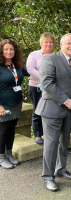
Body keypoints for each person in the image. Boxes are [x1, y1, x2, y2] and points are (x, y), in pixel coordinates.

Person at [36, 33, 71, 192]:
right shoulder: (50, 59)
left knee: (64, 142)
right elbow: (47, 83)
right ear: (61, 44)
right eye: (68, 44)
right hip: (53, 108)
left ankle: (61, 168)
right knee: (51, 144)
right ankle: (48, 177)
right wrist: (67, 101)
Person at [0, 39, 29, 169]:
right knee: (3, 130)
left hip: (16, 103)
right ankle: (1, 157)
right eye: (6, 49)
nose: (9, 51)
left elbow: (32, 73)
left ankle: (9, 154)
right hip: (3, 104)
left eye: (11, 49)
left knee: (11, 129)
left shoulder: (17, 66)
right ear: (1, 51)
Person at [26, 32, 55, 145]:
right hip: (36, 87)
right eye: (46, 42)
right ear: (41, 43)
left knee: (51, 111)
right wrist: (46, 79)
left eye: (51, 42)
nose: (48, 44)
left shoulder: (57, 55)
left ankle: (49, 133)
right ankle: (38, 134)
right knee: (38, 110)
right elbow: (30, 69)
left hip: (53, 88)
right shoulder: (34, 54)